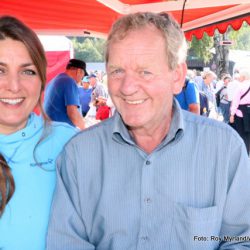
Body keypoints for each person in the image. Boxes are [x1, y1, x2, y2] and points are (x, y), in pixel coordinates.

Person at [46, 12, 250, 250]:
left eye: (145, 72)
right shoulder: (77, 156)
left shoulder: (224, 149)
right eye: (117, 71)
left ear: (177, 77)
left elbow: (241, 239)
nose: (127, 88)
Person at [0, 16, 77, 250]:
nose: (14, 86)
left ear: (42, 81)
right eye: (0, 70)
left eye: (28, 72)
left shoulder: (70, 144)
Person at [44, 58, 86, 130]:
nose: (82, 79)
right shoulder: (69, 81)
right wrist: (85, 131)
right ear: (79, 71)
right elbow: (73, 113)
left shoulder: (55, 80)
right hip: (59, 131)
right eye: (83, 75)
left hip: (49, 128)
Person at [230, 68, 250, 154]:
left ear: (244, 77)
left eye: (240, 77)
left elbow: (235, 102)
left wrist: (232, 114)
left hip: (240, 114)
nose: (239, 78)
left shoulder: (240, 87)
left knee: (241, 135)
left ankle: (243, 154)